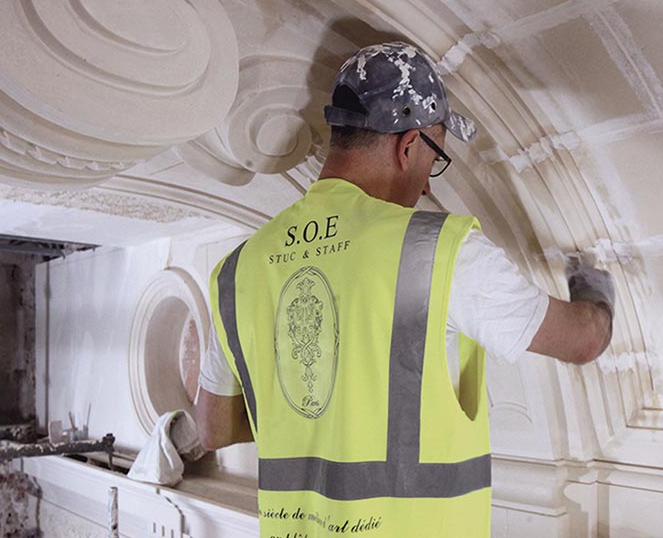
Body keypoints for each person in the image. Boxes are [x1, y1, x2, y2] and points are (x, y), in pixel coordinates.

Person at [195, 41, 614, 537]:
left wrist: (314, 422)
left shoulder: (237, 271)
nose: (428, 186)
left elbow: (212, 429)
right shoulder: (438, 252)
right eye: (434, 158)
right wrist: (595, 290)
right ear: (408, 145)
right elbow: (583, 341)